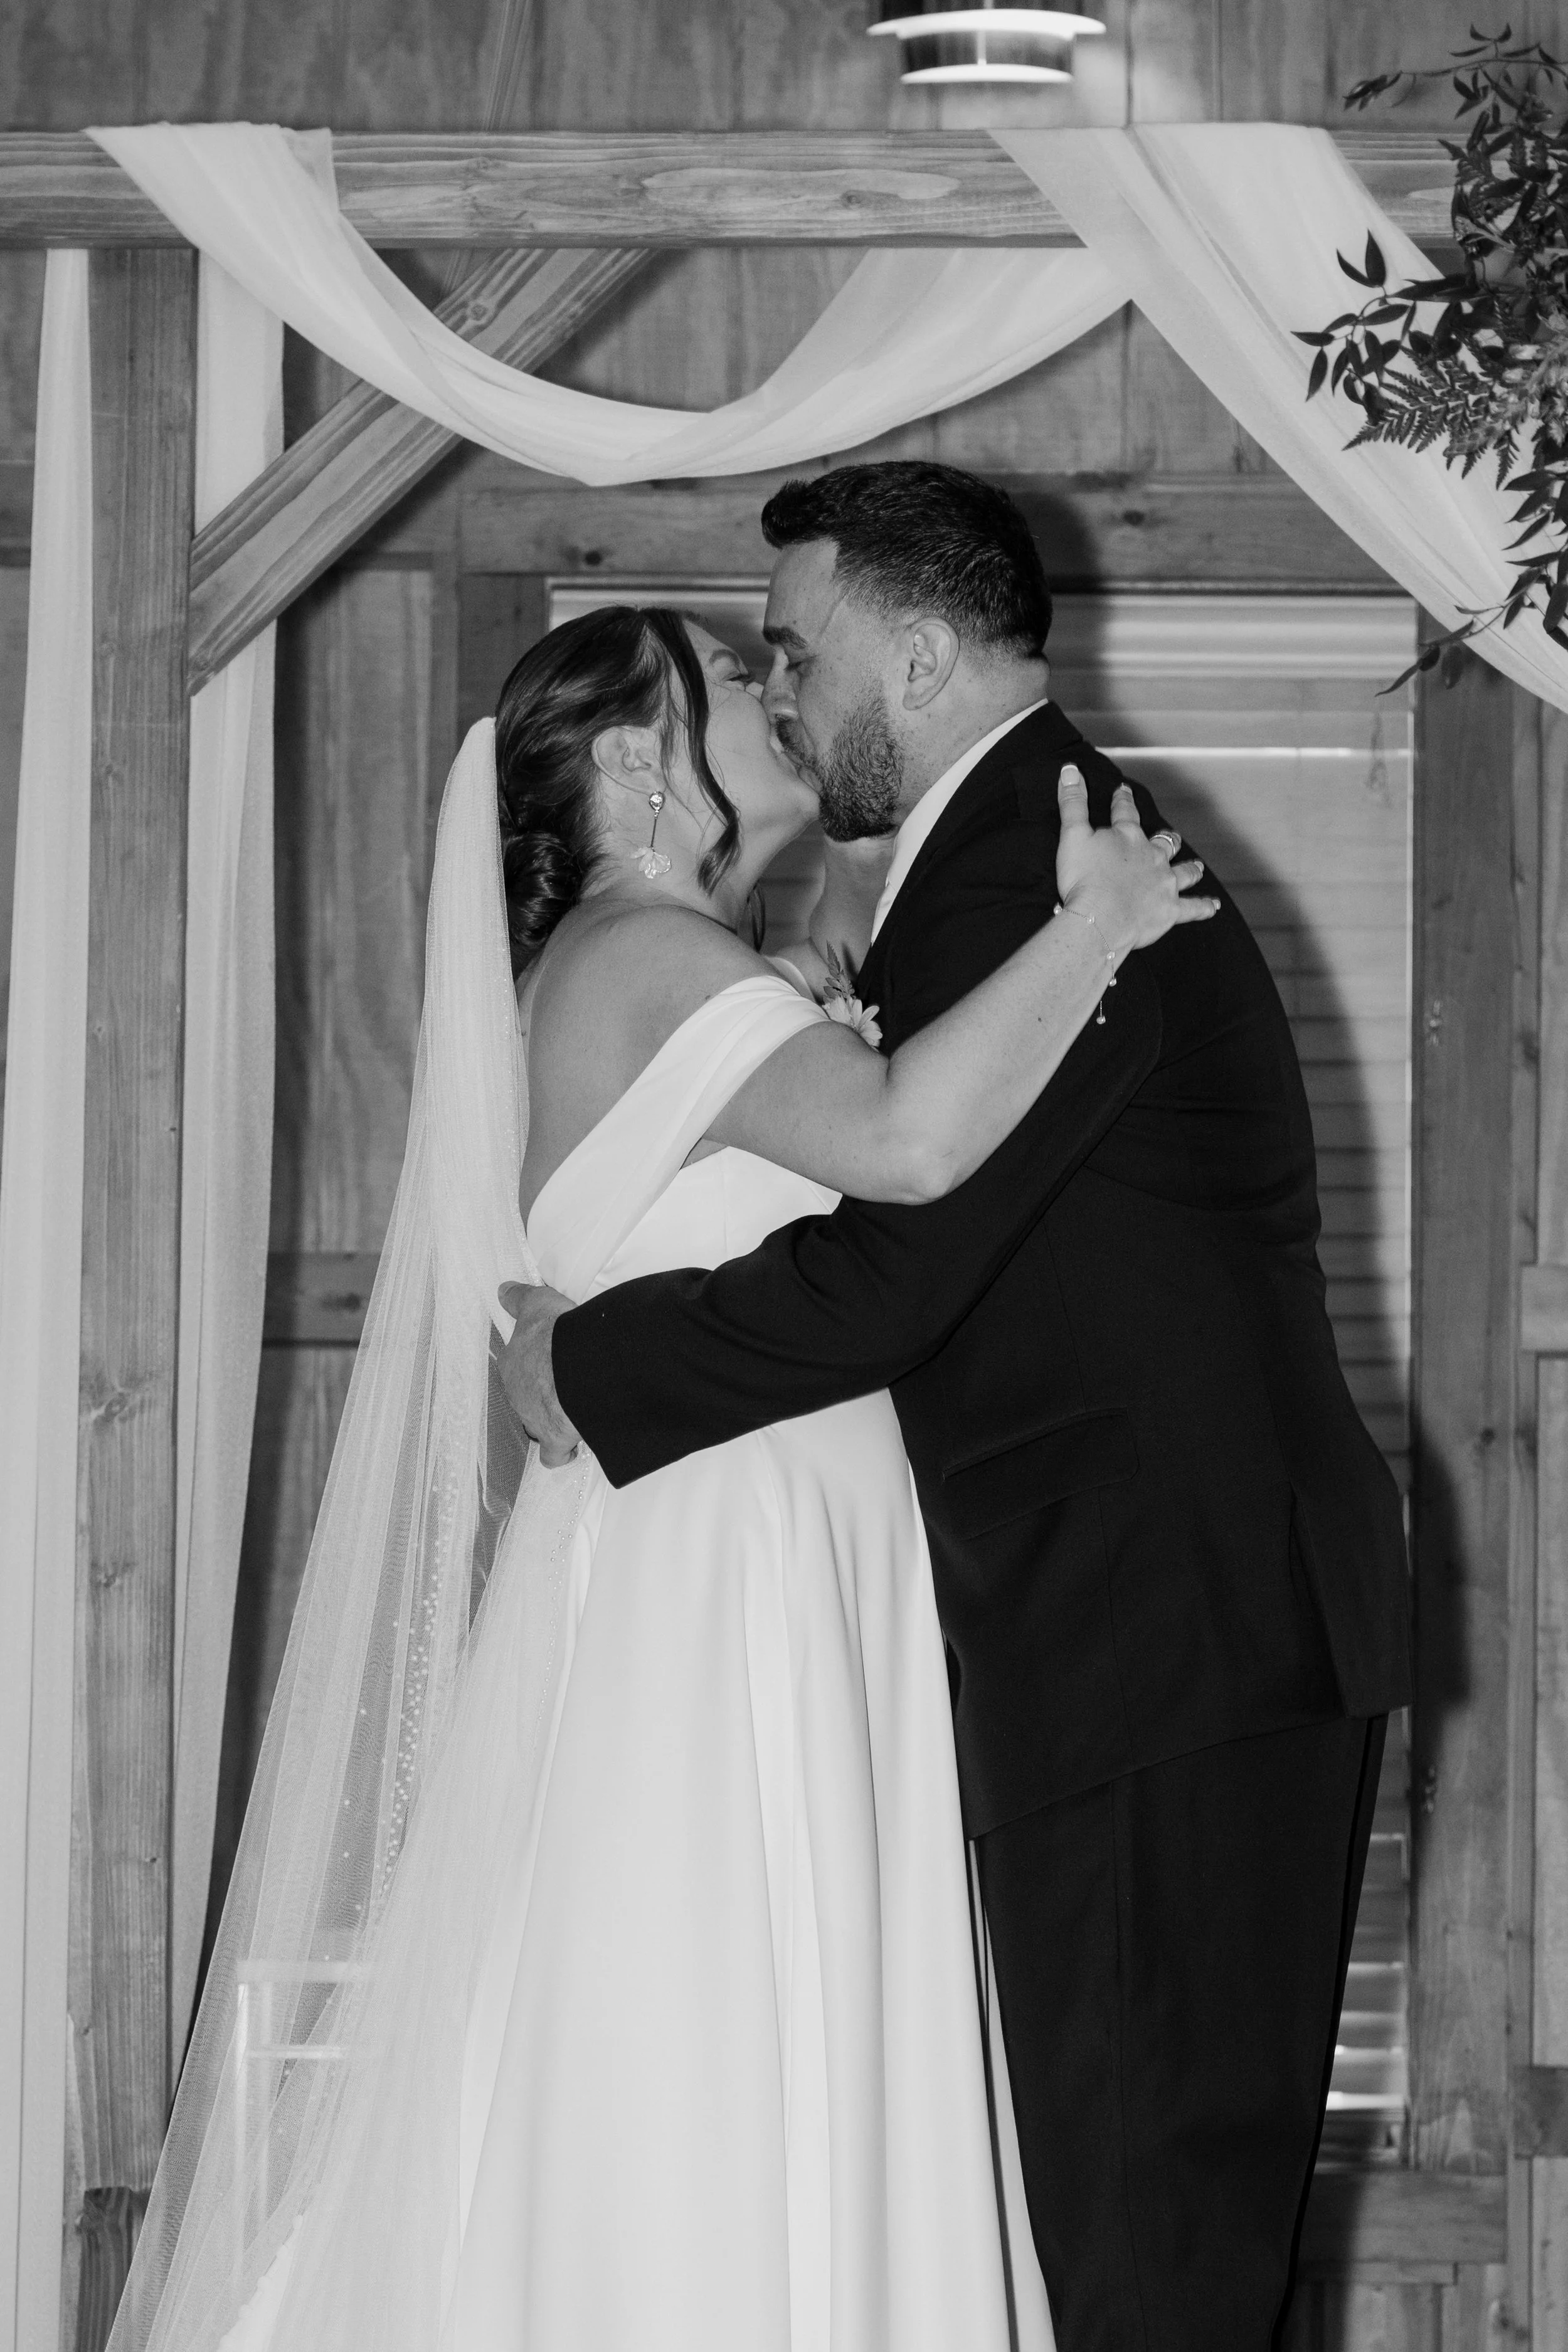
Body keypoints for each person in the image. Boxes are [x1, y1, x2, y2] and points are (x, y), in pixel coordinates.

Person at [107, 598, 1204, 2352]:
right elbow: (911, 1140)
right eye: (740, 680)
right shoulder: (641, 955)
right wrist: (1096, 929)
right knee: (725, 2031)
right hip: (726, 1568)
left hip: (729, 1537)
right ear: (636, 752)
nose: (783, 701)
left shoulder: (665, 969)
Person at [499, 463, 1414, 2352]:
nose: (773, 695)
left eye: (792, 653)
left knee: (1148, 2245)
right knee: (1111, 2227)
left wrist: (585, 1363)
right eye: (749, 672)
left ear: (911, 659)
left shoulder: (1044, 863)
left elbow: (901, 1258)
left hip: (1158, 1638)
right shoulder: (965, 879)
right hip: (1113, 1639)